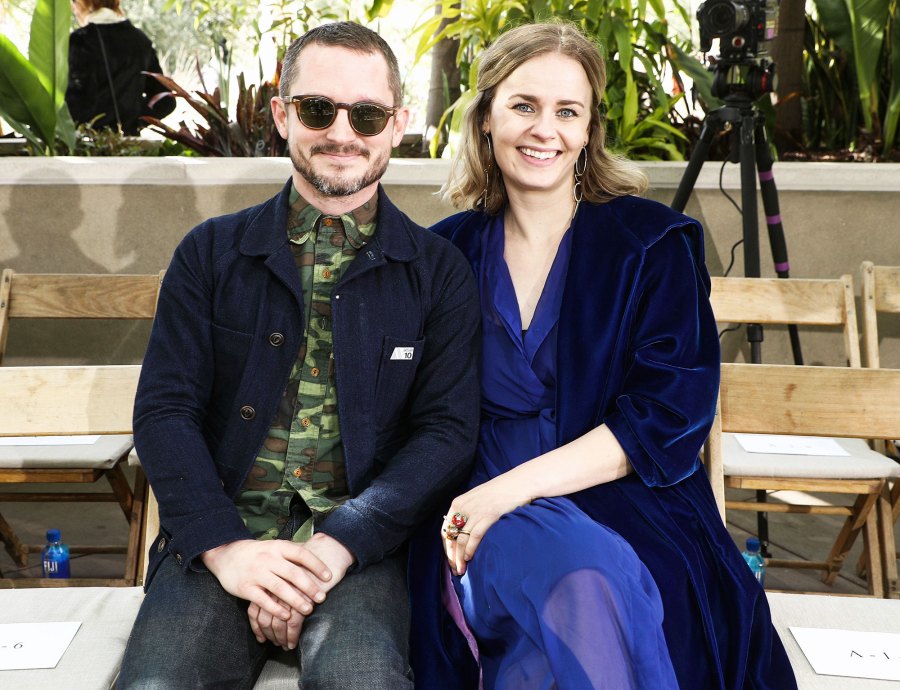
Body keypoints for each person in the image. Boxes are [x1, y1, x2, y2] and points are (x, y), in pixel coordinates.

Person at [409, 21, 797, 690]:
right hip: (471, 494)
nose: (545, 130)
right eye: (524, 106)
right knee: (572, 583)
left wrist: (506, 492)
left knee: (583, 587)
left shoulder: (651, 245)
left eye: (568, 111)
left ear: (590, 130)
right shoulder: (443, 253)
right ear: (486, 117)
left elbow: (666, 416)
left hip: (620, 495)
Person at [118, 21, 480, 689]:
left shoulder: (438, 273)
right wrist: (227, 549)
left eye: (366, 115)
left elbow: (447, 431)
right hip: (221, 539)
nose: (343, 132)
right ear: (283, 115)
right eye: (318, 109)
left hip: (362, 550)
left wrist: (339, 544)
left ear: (397, 125)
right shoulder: (210, 254)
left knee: (362, 679)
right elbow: (166, 411)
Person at [66, 0, 175, 135]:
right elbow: (165, 100)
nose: (73, 8)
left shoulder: (79, 41)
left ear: (83, 3)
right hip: (129, 142)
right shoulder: (140, 40)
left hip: (87, 142)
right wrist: (134, 118)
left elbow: (72, 101)